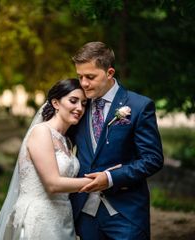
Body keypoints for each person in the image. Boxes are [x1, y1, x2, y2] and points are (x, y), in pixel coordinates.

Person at [69, 41, 164, 240]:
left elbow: (152, 159)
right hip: (85, 213)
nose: (84, 83)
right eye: (80, 77)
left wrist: (111, 178)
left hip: (125, 213)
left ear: (110, 72)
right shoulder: (78, 106)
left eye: (90, 77)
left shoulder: (139, 106)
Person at [0, 78, 94, 240]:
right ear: (56, 103)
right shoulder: (41, 132)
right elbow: (52, 184)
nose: (79, 108)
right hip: (39, 219)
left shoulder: (66, 141)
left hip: (62, 219)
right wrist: (100, 182)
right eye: (73, 101)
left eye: (83, 103)